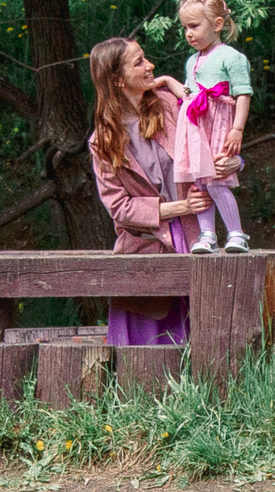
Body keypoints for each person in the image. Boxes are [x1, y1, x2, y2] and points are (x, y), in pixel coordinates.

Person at [88, 37, 211, 346]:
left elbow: (210, 109)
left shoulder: (168, 105)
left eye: (146, 58)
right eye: (139, 62)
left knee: (203, 337)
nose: (150, 66)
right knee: (144, 364)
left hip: (191, 238)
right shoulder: (102, 140)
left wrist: (170, 81)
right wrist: (182, 206)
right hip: (143, 250)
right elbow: (120, 209)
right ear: (117, 80)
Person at [168, 0, 254, 254]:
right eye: (185, 28)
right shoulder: (192, 60)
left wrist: (237, 128)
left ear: (217, 24)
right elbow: (188, 93)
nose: (189, 33)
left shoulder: (231, 56)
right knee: (199, 182)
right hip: (195, 127)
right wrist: (166, 83)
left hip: (218, 124)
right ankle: (207, 235)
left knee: (217, 179)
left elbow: (242, 93)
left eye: (194, 26)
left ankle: (236, 233)